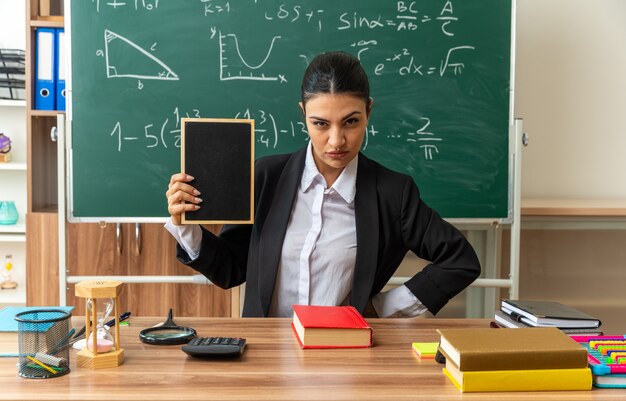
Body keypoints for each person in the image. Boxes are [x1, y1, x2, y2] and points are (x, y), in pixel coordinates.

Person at [165, 51, 480, 318]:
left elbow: (460, 260)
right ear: (303, 115)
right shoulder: (265, 177)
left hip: (346, 359)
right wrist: (186, 226)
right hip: (267, 358)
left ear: (369, 111)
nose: (336, 141)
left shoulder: (393, 193)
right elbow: (230, 270)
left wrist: (383, 309)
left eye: (351, 122)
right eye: (320, 123)